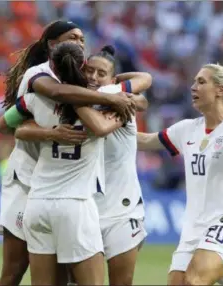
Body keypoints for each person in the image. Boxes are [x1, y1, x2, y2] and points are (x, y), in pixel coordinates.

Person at [0, 20, 136, 286]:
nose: (80, 42)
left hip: (40, 197)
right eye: (74, 37)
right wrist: (121, 99)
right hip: (56, 194)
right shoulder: (42, 78)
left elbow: (5, 125)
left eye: (82, 38)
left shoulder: (33, 100)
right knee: (16, 271)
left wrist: (47, 129)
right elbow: (101, 115)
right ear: (52, 44)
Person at [136, 63, 223, 285]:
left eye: (201, 82)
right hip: (192, 229)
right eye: (194, 81)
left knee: (195, 280)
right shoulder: (187, 129)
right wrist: (104, 128)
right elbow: (145, 141)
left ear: (221, 90)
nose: (193, 87)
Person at [85, 45, 151, 285]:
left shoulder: (116, 99)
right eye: (88, 71)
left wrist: (115, 84)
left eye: (100, 73)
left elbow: (145, 80)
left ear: (112, 81)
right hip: (84, 209)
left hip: (122, 212)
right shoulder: (75, 101)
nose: (93, 77)